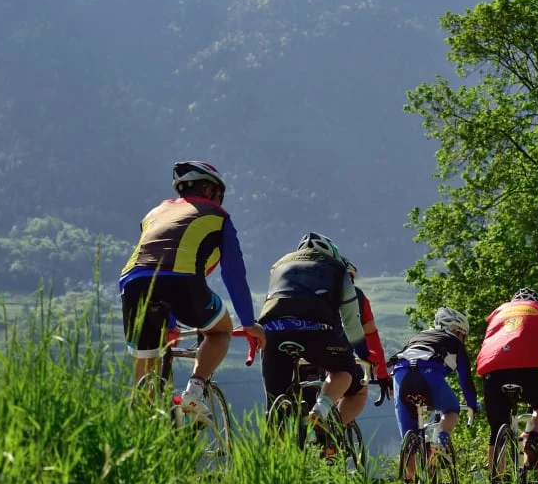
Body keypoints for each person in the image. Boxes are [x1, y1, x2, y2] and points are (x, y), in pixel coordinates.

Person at [119, 161, 266, 417]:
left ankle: (144, 430)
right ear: (209, 190)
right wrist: (248, 322)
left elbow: (156, 267)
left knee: (145, 382)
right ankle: (194, 391)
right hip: (182, 282)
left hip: (133, 282)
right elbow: (234, 274)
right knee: (220, 331)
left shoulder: (154, 213)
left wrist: (170, 324)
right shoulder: (218, 216)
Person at [257, 232, 371, 427]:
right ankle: (320, 411)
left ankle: (275, 436)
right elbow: (351, 321)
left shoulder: (280, 264)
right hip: (315, 331)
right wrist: (364, 354)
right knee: (344, 370)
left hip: (271, 332)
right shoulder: (337, 268)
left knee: (275, 404)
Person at [388, 306, 480, 484]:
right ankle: (439, 444)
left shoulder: (417, 337)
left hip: (401, 376)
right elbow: (466, 378)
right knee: (451, 409)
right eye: (464, 335)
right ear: (457, 331)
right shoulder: (455, 342)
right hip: (429, 374)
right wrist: (472, 403)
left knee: (409, 440)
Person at [477, 288, 538, 469]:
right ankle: (532, 438)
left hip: (492, 368)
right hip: (527, 368)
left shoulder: (498, 313)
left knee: (496, 430)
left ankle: (496, 480)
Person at [342, 257, 394, 418]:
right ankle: (329, 430)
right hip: (334, 350)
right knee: (357, 389)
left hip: (287, 342)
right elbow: (371, 335)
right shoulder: (356, 295)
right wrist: (382, 374)